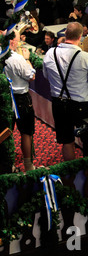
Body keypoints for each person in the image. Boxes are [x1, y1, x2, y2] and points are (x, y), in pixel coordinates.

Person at [43, 22, 88, 161]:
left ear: (65, 34)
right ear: (81, 36)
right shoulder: (86, 57)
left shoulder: (50, 53)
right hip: (80, 105)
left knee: (67, 140)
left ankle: (71, 174)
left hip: (58, 103)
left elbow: (46, 76)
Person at [4, 32, 36, 171]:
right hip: (20, 98)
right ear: (12, 42)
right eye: (17, 40)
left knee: (6, 132)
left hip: (5, 98)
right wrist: (27, 59)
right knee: (26, 132)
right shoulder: (17, 58)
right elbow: (31, 76)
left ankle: (7, 164)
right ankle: (28, 165)